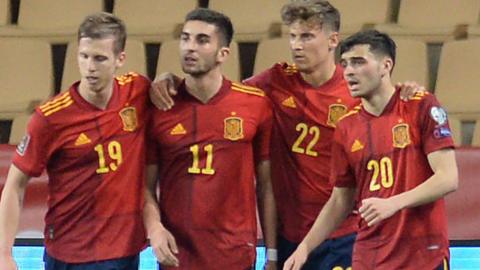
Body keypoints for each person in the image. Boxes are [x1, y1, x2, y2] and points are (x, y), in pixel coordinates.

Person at [149, 1, 422, 269]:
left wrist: (408, 90)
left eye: (306, 36)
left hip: (343, 230)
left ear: (333, 40)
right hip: (289, 233)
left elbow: (392, 104)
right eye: (292, 36)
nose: (296, 45)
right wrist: (169, 78)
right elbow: (223, 94)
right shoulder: (275, 81)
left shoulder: (355, 88)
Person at [284, 30, 458, 270]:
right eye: (344, 64)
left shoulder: (420, 105)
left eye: (358, 62)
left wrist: (393, 203)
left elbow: (448, 179)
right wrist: (305, 247)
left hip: (422, 255)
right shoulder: (346, 126)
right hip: (370, 256)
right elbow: (340, 199)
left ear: (386, 65)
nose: (349, 71)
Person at [0, 12, 150, 269]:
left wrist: (168, 79)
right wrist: (4, 254)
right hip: (70, 253)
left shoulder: (137, 91)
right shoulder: (51, 118)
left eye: (100, 58)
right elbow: (14, 185)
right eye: (84, 56)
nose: (90, 67)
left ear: (120, 59)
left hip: (124, 252)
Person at [143, 8, 277, 270]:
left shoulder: (255, 103)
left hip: (235, 254)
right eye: (185, 38)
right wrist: (155, 228)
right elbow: (145, 186)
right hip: (177, 256)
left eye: (202, 40)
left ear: (223, 53)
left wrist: (271, 254)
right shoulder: (160, 106)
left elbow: (267, 186)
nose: (189, 48)